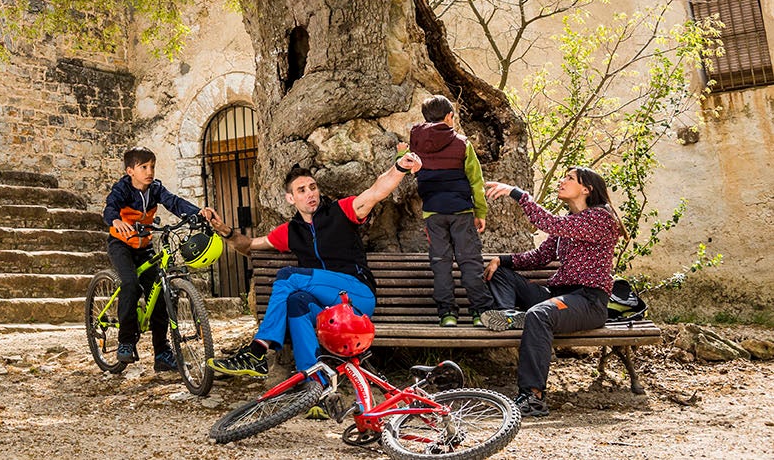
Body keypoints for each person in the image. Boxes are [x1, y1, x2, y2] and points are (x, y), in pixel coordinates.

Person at [205, 151, 423, 392]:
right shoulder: (290, 231)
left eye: (313, 187)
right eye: (302, 190)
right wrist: (224, 230)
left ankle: (257, 351)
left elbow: (376, 191)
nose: (310, 193)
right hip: (328, 310)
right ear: (290, 198)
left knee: (288, 277)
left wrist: (400, 168)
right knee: (297, 302)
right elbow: (248, 246)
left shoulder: (342, 211)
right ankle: (314, 390)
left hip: (357, 296)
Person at [482, 167, 627, 417]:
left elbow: (547, 222)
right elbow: (540, 256)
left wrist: (517, 194)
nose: (563, 181)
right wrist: (502, 260)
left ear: (586, 189)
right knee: (502, 273)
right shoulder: (567, 226)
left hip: (587, 301)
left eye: (570, 178)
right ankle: (509, 315)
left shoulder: (600, 218)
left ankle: (533, 398)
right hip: (556, 295)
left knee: (539, 315)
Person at [102, 146, 219, 371]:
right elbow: (110, 208)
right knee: (130, 285)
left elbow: (174, 202)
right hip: (121, 246)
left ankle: (162, 353)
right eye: (143, 167)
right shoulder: (122, 189)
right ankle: (125, 342)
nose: (149, 171)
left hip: (144, 245)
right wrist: (115, 221)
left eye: (152, 167)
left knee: (160, 295)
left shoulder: (155, 189)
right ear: (130, 171)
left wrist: (197, 212)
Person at [403, 95, 496, 327]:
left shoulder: (416, 142)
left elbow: (404, 163)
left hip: (433, 214)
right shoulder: (462, 143)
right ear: (449, 117)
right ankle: (479, 313)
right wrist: (480, 212)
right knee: (470, 262)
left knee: (441, 264)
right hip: (461, 212)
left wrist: (399, 153)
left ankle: (447, 314)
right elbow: (476, 181)